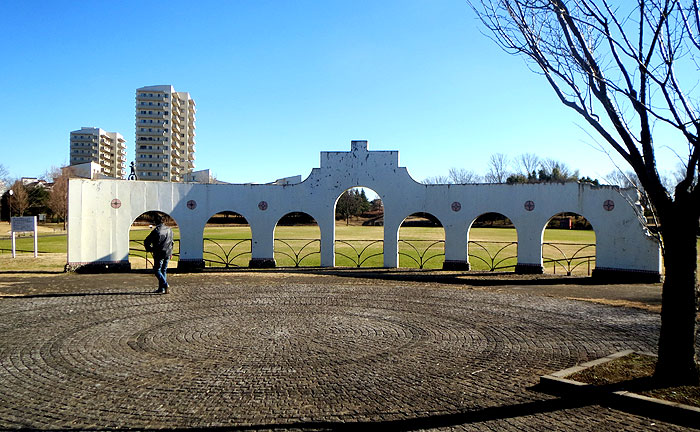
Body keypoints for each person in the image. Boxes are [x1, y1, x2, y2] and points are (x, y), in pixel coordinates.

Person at [144, 214, 174, 294]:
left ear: (155, 222)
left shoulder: (156, 231)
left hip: (159, 253)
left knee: (157, 270)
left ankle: (165, 285)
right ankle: (161, 289)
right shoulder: (169, 229)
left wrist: (150, 249)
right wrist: (171, 252)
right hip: (167, 252)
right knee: (163, 270)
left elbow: (146, 241)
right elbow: (172, 242)